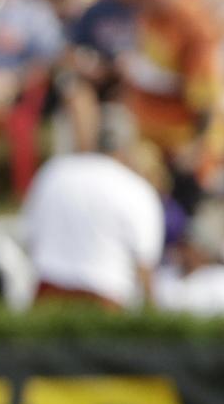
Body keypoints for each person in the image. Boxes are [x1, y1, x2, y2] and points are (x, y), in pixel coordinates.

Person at [21, 132, 168, 311]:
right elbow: (145, 264)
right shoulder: (136, 188)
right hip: (106, 300)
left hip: (47, 294)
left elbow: (29, 234)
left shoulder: (54, 171)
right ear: (123, 151)